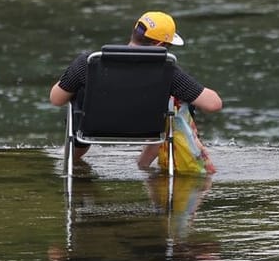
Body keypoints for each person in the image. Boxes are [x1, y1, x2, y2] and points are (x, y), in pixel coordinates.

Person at [51, 11, 221, 172]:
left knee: (79, 95)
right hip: (149, 131)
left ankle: (73, 160)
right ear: (160, 45)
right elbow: (213, 104)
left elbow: (56, 99)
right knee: (175, 101)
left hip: (92, 129)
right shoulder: (168, 71)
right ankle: (143, 165)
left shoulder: (89, 63)